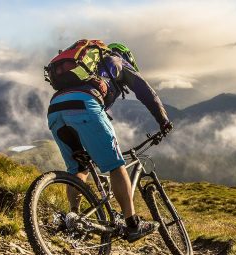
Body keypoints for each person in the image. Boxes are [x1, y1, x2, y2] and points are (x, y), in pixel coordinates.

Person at [45, 40, 172, 242]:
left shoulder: (85, 67)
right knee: (116, 165)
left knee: (79, 169)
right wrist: (163, 120)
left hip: (55, 110)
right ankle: (133, 225)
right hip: (84, 105)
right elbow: (145, 91)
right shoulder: (116, 60)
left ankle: (74, 219)